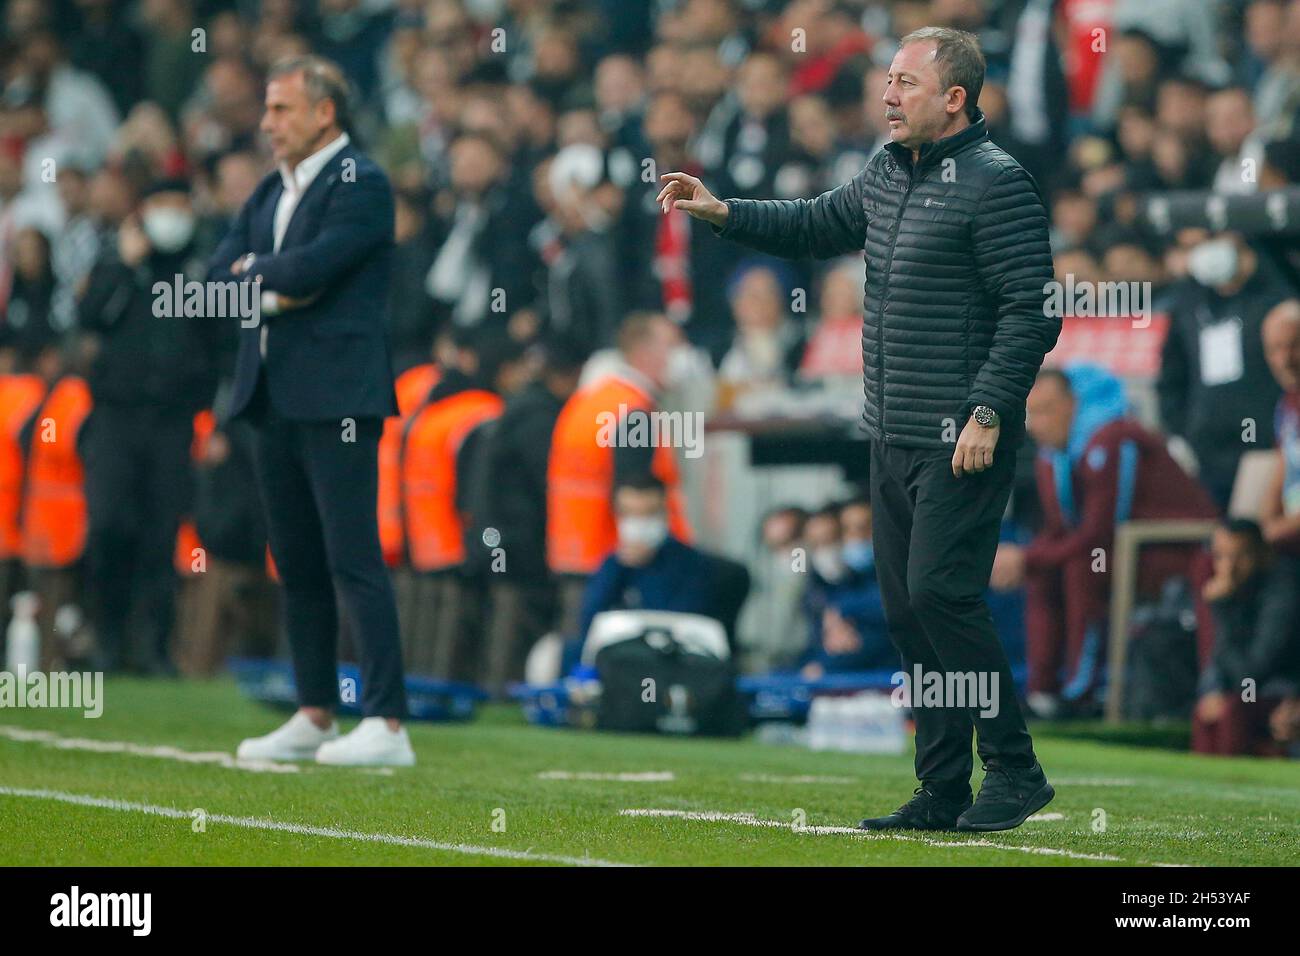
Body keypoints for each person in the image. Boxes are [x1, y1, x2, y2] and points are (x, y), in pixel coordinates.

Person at [661, 26, 1059, 832]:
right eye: (887, 81)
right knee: (908, 612)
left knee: (941, 594)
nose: (886, 95)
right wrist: (724, 212)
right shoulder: (884, 171)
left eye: (906, 84)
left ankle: (1014, 771)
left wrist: (987, 411)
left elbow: (1032, 309)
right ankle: (943, 786)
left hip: (960, 436)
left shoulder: (998, 183)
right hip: (890, 432)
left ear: (954, 98)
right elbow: (815, 222)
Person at [212, 55, 413, 767]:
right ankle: (315, 710)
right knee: (296, 563)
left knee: (353, 558)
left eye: (282, 109)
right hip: (273, 393)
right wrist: (269, 284)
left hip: (338, 398)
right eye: (267, 109)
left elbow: (313, 269)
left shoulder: (363, 179)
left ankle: (387, 723)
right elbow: (215, 278)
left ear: (325, 111)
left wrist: (258, 277)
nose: (268, 124)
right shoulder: (271, 189)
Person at [992, 365, 1218, 716]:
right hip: (1122, 548)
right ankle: (1043, 693)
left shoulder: (1113, 439)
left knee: (1083, 564)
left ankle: (1083, 691)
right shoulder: (1053, 456)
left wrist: (1028, 557)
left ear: (1073, 404)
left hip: (1173, 548)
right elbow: (1059, 529)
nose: (1035, 424)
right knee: (1047, 569)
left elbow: (1102, 531)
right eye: (1030, 414)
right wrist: (1027, 558)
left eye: (1045, 410)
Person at [77, 177, 218, 673]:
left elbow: (220, 346)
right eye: (163, 205)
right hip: (116, 418)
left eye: (182, 205)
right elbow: (88, 316)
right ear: (143, 211)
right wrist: (125, 264)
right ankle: (106, 638)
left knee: (162, 535)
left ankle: (154, 647)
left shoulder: (202, 273)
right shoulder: (117, 265)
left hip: (174, 421)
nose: (173, 215)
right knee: (110, 524)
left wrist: (216, 415)